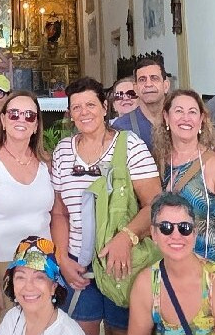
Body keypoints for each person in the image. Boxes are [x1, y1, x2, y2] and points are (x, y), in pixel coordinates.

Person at [50, 77, 160, 335]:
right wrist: (62, 257)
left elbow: (154, 204)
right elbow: (59, 212)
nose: (84, 112)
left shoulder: (130, 146)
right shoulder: (63, 151)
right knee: (79, 329)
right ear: (70, 114)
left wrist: (126, 237)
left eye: (90, 105)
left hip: (122, 260)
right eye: (76, 107)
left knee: (120, 329)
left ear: (104, 107)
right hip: (78, 262)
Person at [0, 91, 54, 334]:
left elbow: (55, 217)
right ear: (3, 120)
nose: (21, 120)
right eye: (14, 114)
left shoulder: (46, 162)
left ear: (36, 125)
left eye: (29, 116)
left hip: (40, 266)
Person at [152, 90, 215, 288]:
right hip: (168, 276)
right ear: (166, 117)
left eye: (192, 112)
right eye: (178, 111)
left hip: (209, 278)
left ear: (201, 120)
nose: (186, 118)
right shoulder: (159, 163)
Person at [128, 193, 215, 335]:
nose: (176, 236)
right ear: (154, 233)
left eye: (184, 228)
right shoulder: (146, 284)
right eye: (166, 227)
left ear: (194, 233)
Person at [0, 236, 85, 335]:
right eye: (21, 277)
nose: (28, 286)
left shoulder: (68, 332)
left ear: (54, 286)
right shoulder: (13, 317)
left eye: (39, 277)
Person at [112, 57, 171, 151]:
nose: (148, 84)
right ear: (136, 89)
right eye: (142, 80)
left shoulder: (179, 119)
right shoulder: (121, 127)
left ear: (166, 86)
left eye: (154, 78)